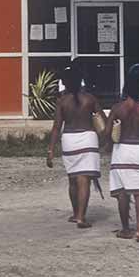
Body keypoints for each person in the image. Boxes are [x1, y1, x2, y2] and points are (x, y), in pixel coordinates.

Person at [47, 67, 106, 229]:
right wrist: (107, 140)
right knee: (84, 180)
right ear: (81, 81)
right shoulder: (90, 99)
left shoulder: (62, 101)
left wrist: (50, 150)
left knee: (73, 179)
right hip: (88, 139)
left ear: (65, 82)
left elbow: (56, 127)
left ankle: (75, 214)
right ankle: (81, 217)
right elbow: (103, 121)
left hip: (69, 140)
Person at [104, 71, 139, 242]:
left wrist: (109, 143)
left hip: (121, 150)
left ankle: (125, 229)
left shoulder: (117, 108)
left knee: (122, 192)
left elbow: (107, 132)